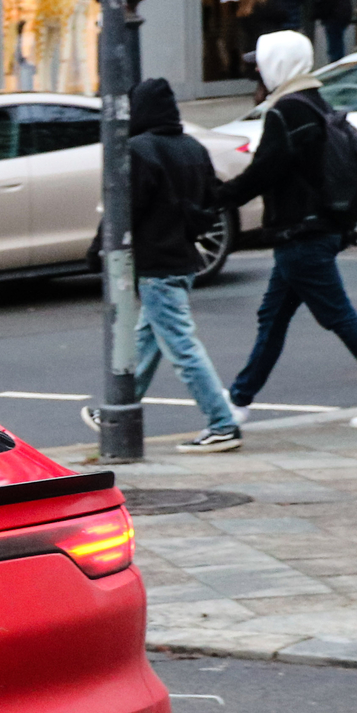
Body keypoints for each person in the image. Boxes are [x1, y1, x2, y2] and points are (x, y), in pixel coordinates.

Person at [220, 29, 357, 430]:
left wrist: (215, 198)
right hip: (315, 229)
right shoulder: (311, 102)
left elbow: (265, 171)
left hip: (303, 233)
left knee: (338, 315)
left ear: (278, 64)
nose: (256, 73)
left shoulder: (287, 111)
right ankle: (238, 400)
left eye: (259, 64)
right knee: (273, 317)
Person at [79, 80, 240, 453]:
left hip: (156, 263)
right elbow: (211, 199)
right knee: (146, 341)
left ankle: (222, 423)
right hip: (184, 258)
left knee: (182, 347)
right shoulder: (193, 147)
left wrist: (97, 249)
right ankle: (118, 408)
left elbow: (123, 211)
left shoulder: (139, 150)